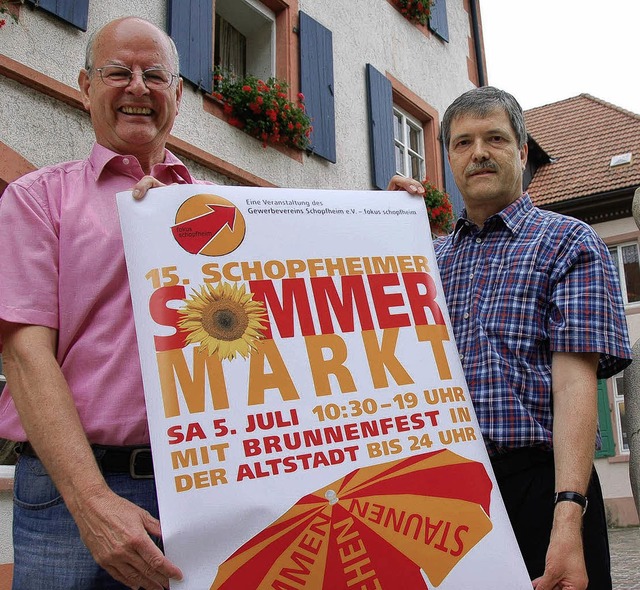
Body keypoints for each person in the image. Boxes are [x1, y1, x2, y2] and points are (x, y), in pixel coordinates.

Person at [390, 86, 632, 590]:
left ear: (522, 153)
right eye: (462, 143)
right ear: (449, 160)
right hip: (444, 497)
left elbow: (573, 388)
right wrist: (385, 233)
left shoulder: (568, 241)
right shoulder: (424, 258)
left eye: (495, 138)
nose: (478, 152)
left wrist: (568, 515)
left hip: (541, 488)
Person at [0, 16, 194, 590]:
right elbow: (24, 355)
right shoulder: (37, 199)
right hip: (70, 494)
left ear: (178, 97)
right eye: (118, 72)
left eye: (155, 75)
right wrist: (91, 502)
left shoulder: (217, 211)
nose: (138, 87)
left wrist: (387, 226)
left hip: (200, 488)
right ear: (85, 87)